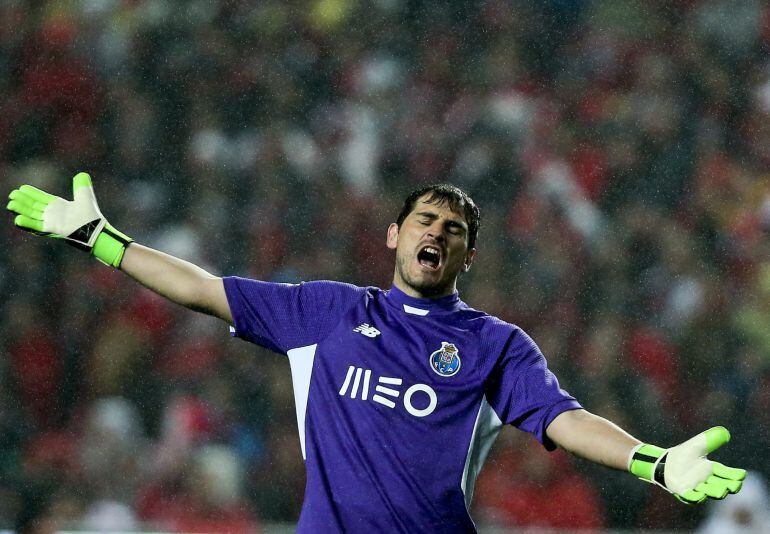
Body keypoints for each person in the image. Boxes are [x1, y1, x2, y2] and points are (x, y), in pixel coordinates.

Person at [7, 173, 747, 532]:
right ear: (395, 235)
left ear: (469, 256)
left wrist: (651, 459)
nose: (437, 233)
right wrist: (100, 241)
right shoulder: (327, 312)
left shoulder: (494, 345)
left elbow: (564, 420)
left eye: (454, 229)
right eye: (425, 219)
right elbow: (202, 288)